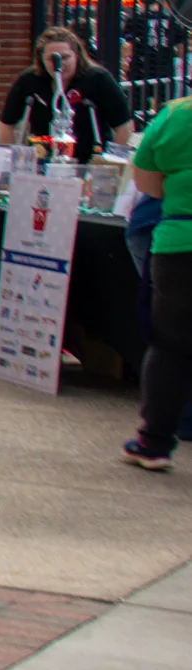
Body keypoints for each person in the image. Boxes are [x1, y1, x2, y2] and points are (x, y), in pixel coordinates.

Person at [124, 97, 192, 471]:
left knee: (171, 348)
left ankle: (153, 444)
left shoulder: (177, 114)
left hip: (181, 242)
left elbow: (148, 182)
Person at [0, 26, 133, 163]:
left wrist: (110, 161)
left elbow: (124, 127)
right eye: (52, 59)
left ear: (77, 55)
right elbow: (6, 124)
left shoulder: (98, 79)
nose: (60, 65)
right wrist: (14, 159)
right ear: (41, 59)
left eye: (65, 58)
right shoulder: (29, 80)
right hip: (42, 159)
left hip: (88, 161)